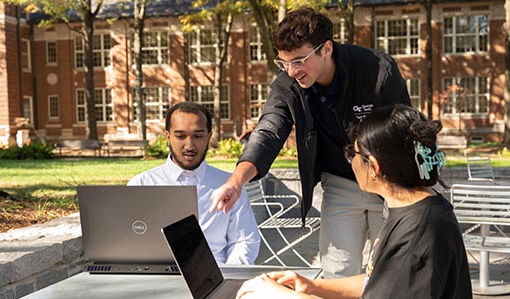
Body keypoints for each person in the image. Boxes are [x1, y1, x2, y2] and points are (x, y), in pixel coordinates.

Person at [210, 7, 410, 278]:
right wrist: (236, 181)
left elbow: (403, 130)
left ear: (326, 49)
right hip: (340, 183)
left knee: (389, 272)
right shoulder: (287, 85)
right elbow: (268, 131)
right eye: (283, 62)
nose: (292, 71)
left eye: (299, 61)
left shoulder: (378, 70)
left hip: (386, 181)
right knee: (337, 271)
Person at [235, 104, 473, 299]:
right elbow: (379, 280)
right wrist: (312, 286)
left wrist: (281, 296)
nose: (350, 161)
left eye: (353, 153)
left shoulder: (416, 236)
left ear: (375, 167)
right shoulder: (415, 207)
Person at [128, 102, 260, 265]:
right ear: (168, 136)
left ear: (209, 136)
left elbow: (244, 242)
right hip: (157, 277)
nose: (189, 146)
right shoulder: (141, 184)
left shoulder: (230, 186)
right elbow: (131, 242)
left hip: (217, 276)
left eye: (198, 136)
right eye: (180, 136)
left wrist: (230, 277)